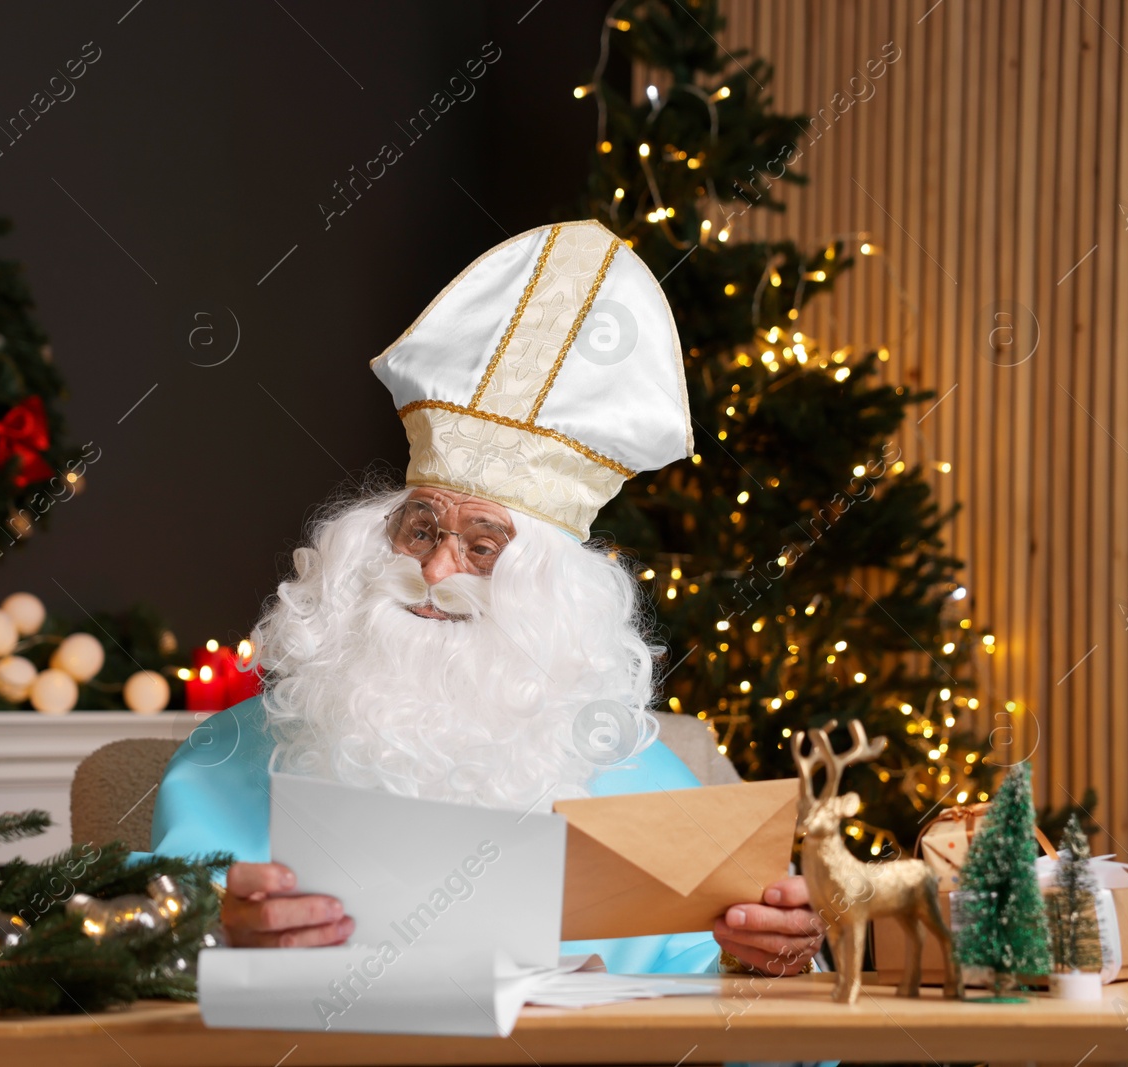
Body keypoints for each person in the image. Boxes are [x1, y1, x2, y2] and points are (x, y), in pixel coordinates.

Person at [146, 220, 824, 977]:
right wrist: (208, 936)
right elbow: (113, 966)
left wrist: (766, 963)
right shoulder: (225, 761)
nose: (437, 570)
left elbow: (746, 1024)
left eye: (482, 546)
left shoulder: (652, 789)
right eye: (421, 528)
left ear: (552, 596)